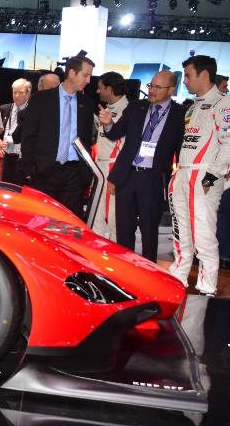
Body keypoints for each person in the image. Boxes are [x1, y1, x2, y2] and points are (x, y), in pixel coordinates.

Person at [98, 71, 185, 263]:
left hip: (153, 178)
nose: (152, 90)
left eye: (158, 87)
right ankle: (125, 268)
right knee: (124, 229)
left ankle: (148, 270)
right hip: (127, 176)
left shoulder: (180, 114)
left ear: (171, 90)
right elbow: (115, 133)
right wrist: (108, 123)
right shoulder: (136, 106)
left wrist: (179, 178)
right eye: (150, 85)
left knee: (149, 230)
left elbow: (181, 149)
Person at [167, 55, 230, 296]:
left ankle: (207, 286)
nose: (185, 81)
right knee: (180, 231)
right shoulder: (193, 106)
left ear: (204, 74)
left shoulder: (223, 104)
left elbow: (228, 143)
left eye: (188, 75)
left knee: (203, 234)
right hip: (182, 174)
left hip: (204, 176)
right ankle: (179, 276)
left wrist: (212, 176)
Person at [18, 56, 97, 217]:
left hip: (75, 173)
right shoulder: (41, 99)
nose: (88, 80)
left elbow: (87, 139)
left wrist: (85, 173)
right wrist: (30, 168)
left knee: (69, 222)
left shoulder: (87, 103)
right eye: (85, 75)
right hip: (44, 170)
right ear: (72, 73)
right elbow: (29, 135)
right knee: (41, 219)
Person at [90, 72, 130, 239]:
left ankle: (116, 253)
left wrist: (117, 175)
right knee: (96, 216)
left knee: (114, 218)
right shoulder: (107, 109)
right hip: (100, 166)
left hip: (114, 168)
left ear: (110, 88)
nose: (97, 91)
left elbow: (127, 147)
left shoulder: (128, 110)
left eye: (100, 88)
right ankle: (94, 252)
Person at [0, 78, 31, 185]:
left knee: (22, 190)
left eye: (21, 93)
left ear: (28, 93)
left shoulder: (33, 111)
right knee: (5, 188)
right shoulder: (4, 109)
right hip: (6, 157)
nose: (17, 95)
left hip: (23, 159)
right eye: (15, 92)